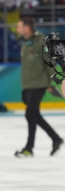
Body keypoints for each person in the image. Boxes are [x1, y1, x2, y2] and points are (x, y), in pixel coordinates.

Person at [15, 18, 63, 157]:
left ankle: (29, 148)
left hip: (40, 84)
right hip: (28, 85)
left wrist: (53, 82)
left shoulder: (39, 42)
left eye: (20, 26)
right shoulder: (25, 42)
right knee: (33, 115)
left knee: (30, 114)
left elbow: (49, 63)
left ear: (27, 27)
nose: (18, 29)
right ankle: (56, 138)